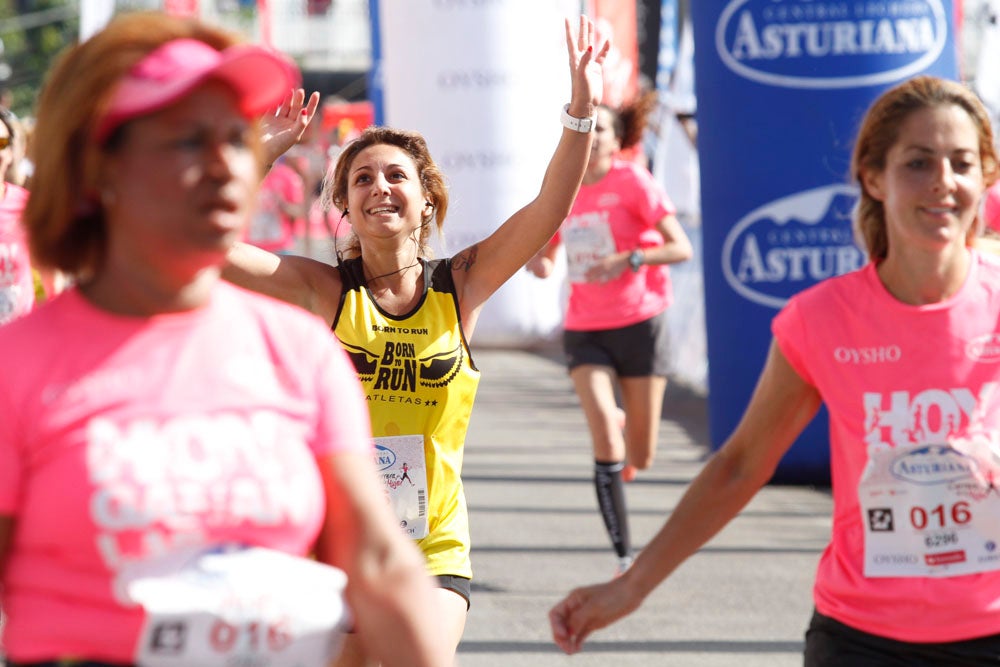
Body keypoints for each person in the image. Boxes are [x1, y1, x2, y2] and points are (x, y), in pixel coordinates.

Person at [0, 11, 447, 666]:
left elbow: (380, 561)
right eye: (185, 141)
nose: (223, 164)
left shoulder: (300, 353)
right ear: (101, 170)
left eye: (236, 138)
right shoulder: (21, 367)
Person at [550, 74, 1000, 665]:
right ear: (873, 178)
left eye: (962, 163)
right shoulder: (821, 319)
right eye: (918, 163)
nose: (944, 182)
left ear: (985, 178)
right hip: (864, 637)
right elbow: (740, 465)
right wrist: (629, 587)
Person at [223, 16, 610, 666]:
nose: (380, 187)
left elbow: (549, 207)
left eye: (396, 176)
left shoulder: (461, 284)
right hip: (337, 539)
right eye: (363, 179)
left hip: (432, 544)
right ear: (345, 205)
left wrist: (581, 109)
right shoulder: (325, 291)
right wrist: (259, 153)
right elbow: (207, 249)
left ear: (427, 200)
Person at [526, 93, 692, 575]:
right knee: (603, 434)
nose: (593, 135)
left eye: (602, 129)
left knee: (641, 454)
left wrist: (630, 258)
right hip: (586, 329)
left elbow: (679, 248)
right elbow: (549, 257)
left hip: (641, 320)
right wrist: (538, 263)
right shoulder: (564, 187)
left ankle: (626, 430)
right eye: (587, 127)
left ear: (617, 142)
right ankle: (623, 556)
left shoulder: (634, 182)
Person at [0, 108, 33, 324]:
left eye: (0, 143)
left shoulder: (28, 207)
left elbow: (52, 278)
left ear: (11, 152)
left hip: (22, 346)